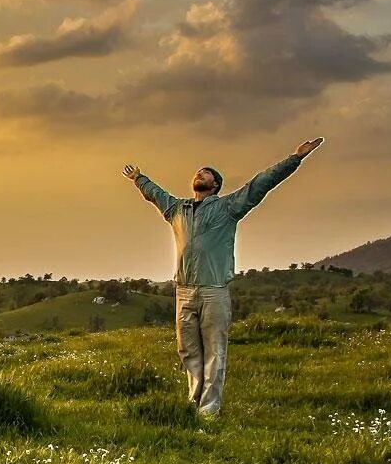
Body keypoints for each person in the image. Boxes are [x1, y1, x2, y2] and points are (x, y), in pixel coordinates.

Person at [121, 137, 324, 417]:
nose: (199, 173)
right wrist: (138, 178)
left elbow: (261, 183)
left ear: (215, 185)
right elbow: (156, 194)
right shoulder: (177, 209)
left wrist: (295, 157)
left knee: (215, 350)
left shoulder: (228, 208)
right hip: (184, 290)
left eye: (206, 173)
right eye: (197, 172)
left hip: (214, 290)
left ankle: (209, 410)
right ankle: (193, 402)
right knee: (188, 350)